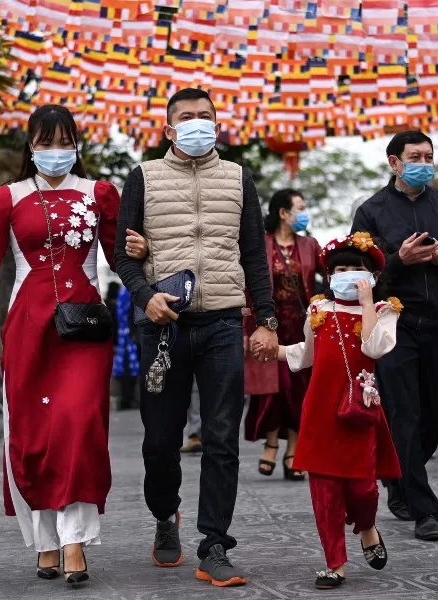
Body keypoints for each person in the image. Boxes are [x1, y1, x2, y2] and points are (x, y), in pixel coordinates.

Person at [0, 104, 121, 585]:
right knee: (34, 433)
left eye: (63, 142)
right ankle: (46, 542)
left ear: (76, 144)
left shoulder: (99, 193)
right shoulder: (6, 197)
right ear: (30, 146)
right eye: (44, 142)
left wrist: (153, 280)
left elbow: (123, 256)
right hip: (28, 328)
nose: (55, 151)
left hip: (85, 327)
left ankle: (75, 539)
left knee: (78, 424)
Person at [115, 87, 278, 587]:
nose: (197, 123)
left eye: (205, 116)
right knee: (161, 441)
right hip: (162, 327)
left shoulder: (238, 178)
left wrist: (267, 321)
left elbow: (254, 252)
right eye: (186, 117)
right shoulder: (142, 176)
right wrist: (146, 297)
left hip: (224, 323)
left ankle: (214, 544)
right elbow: (123, 255)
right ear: (168, 129)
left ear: (218, 123)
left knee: (221, 435)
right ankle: (166, 515)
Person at [351, 130, 438, 542]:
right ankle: (426, 510)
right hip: (395, 326)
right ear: (394, 162)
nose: (424, 162)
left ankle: (399, 477)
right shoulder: (371, 211)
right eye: (415, 156)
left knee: (433, 415)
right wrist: (397, 260)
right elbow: (356, 275)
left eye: (429, 155)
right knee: (404, 414)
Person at [266, 233, 401, 590]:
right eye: (339, 269)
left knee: (363, 490)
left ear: (370, 275)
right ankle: (335, 563)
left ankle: (367, 528)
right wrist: (273, 351)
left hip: (360, 412)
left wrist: (369, 301)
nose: (347, 275)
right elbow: (306, 355)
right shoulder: (318, 310)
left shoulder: (386, 313)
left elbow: (373, 347)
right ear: (329, 275)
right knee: (325, 494)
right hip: (321, 412)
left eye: (356, 269)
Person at [245, 189, 321, 481]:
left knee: (298, 390)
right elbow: (247, 287)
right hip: (267, 323)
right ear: (282, 213)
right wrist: (247, 326)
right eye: (299, 208)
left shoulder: (311, 244)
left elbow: (328, 278)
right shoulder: (259, 244)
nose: (303, 213)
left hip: (302, 326)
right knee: (270, 391)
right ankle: (271, 442)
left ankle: (294, 448)